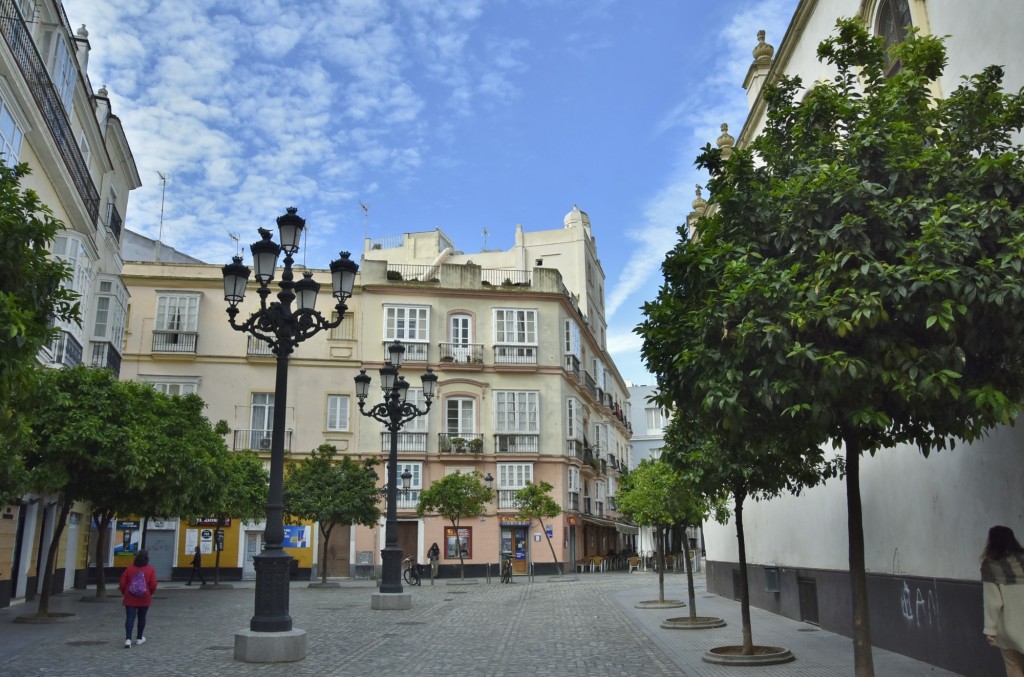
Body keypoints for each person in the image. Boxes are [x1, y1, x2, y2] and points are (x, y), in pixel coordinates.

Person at [982, 525, 1024, 676]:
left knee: (1013, 665)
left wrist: (990, 630)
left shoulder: (991, 565)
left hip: (1009, 627)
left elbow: (993, 602)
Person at [119, 549, 157, 649]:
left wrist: (125, 592)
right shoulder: (150, 569)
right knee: (142, 617)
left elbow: (122, 583)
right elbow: (153, 584)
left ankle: (128, 639)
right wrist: (150, 593)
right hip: (144, 598)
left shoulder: (129, 568)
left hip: (130, 597)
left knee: (130, 618)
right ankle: (139, 638)